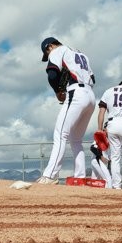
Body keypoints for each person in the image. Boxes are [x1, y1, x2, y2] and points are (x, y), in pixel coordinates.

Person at [35, 37, 97, 185]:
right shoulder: (82, 55)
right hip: (91, 96)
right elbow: (93, 78)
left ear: (50, 46)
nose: (48, 55)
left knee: (60, 134)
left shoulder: (58, 50)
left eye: (47, 51)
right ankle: (80, 177)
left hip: (76, 94)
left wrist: (58, 91)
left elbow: (52, 75)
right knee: (76, 140)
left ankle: (50, 175)